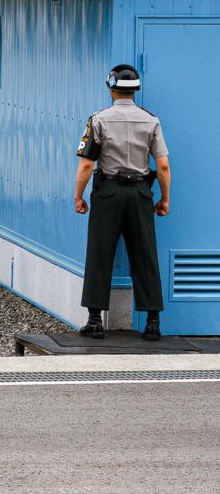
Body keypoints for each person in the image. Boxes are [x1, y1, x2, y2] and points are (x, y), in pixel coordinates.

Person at [74, 64, 171, 341]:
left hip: (108, 193)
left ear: (111, 89)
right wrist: (164, 199)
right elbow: (163, 166)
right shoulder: (151, 121)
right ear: (135, 90)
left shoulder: (98, 120)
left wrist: (79, 196)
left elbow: (87, 165)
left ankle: (95, 321)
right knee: (145, 254)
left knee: (99, 252)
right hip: (140, 194)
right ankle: (152, 323)